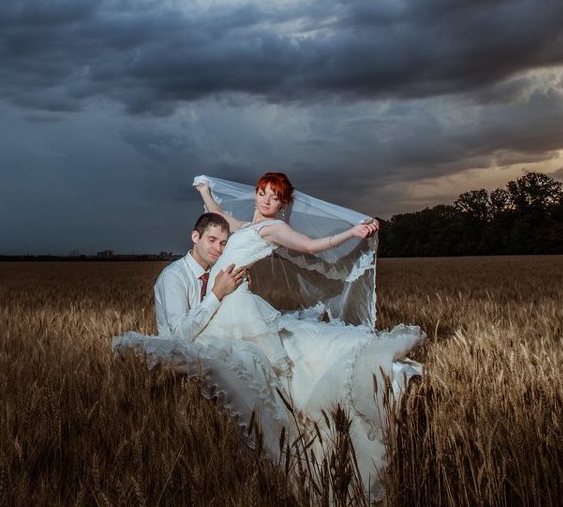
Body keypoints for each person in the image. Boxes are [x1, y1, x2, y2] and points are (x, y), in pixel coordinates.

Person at [114, 172, 424, 502]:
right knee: (238, 360)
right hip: (223, 304)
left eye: (274, 197)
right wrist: (204, 191)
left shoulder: (275, 228)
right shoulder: (242, 226)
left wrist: (352, 231)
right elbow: (220, 216)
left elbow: (309, 245)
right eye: (262, 193)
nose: (265, 200)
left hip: (236, 304)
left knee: (267, 365)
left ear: (283, 203)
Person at [153, 212, 248, 342]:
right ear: (195, 237)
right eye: (212, 240)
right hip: (178, 356)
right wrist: (217, 293)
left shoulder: (219, 274)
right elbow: (179, 336)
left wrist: (240, 289)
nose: (218, 248)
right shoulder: (173, 276)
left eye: (223, 243)